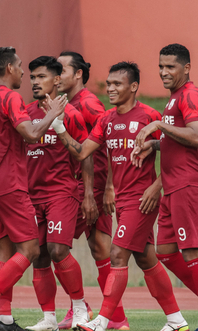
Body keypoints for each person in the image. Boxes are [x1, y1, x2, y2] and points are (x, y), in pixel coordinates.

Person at [54, 61, 189, 331]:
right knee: (146, 258)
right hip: (123, 201)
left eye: (117, 84)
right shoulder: (106, 119)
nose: (110, 89)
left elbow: (179, 152)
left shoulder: (150, 116)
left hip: (143, 199)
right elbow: (82, 152)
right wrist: (59, 127)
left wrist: (157, 185)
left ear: (134, 87)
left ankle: (103, 321)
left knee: (117, 254)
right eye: (108, 84)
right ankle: (176, 320)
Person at [0, 47, 67, 331]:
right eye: (20, 66)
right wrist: (53, 115)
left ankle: (6, 321)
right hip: (8, 185)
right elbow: (32, 135)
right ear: (9, 68)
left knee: (5, 252)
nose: (24, 72)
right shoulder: (10, 97)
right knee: (32, 249)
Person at [132, 44, 198, 331]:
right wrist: (154, 144)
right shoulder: (175, 98)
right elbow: (181, 138)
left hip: (189, 183)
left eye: (170, 67)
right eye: (161, 66)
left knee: (193, 254)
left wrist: (158, 126)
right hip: (173, 185)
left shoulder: (189, 94)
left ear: (186, 68)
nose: (164, 72)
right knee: (165, 251)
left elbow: (197, 136)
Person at [57, 51, 128, 330]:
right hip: (80, 184)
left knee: (56, 245)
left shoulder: (88, 103)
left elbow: (111, 138)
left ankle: (91, 310)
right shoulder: (67, 103)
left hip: (93, 185)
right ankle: (109, 316)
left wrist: (108, 187)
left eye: (61, 69)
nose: (56, 74)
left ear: (78, 74)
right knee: (96, 249)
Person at [24, 56, 91, 331]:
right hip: (31, 195)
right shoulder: (25, 113)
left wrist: (88, 195)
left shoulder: (71, 114)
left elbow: (85, 154)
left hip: (62, 192)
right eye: (32, 77)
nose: (35, 82)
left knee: (57, 249)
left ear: (56, 80)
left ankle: (79, 309)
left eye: (41, 77)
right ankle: (49, 319)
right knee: (38, 255)